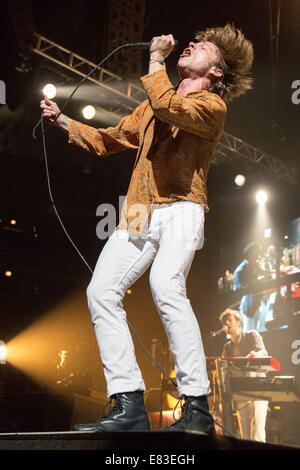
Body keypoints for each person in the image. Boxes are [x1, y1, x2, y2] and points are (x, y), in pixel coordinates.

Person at [41, 24, 253, 433]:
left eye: (203, 46)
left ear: (217, 73)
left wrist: (156, 61)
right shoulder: (153, 105)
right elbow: (110, 138)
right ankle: (128, 402)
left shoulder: (212, 107)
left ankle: (196, 407)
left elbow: (169, 107)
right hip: (139, 210)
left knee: (166, 285)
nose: (190, 44)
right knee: (101, 290)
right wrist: (64, 122)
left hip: (182, 206)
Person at [219, 309, 269, 442]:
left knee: (258, 432)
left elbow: (263, 353)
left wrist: (255, 355)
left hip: (258, 389)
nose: (226, 324)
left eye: (229, 320)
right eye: (224, 322)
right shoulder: (227, 347)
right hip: (240, 392)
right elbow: (224, 369)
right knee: (244, 434)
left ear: (238, 322)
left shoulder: (252, 335)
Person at [234, 242, 270, 332]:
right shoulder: (241, 270)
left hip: (255, 303)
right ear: (250, 254)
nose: (258, 257)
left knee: (255, 332)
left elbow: (264, 272)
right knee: (249, 334)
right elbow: (241, 289)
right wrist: (258, 285)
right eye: (257, 254)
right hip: (249, 306)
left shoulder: (253, 265)